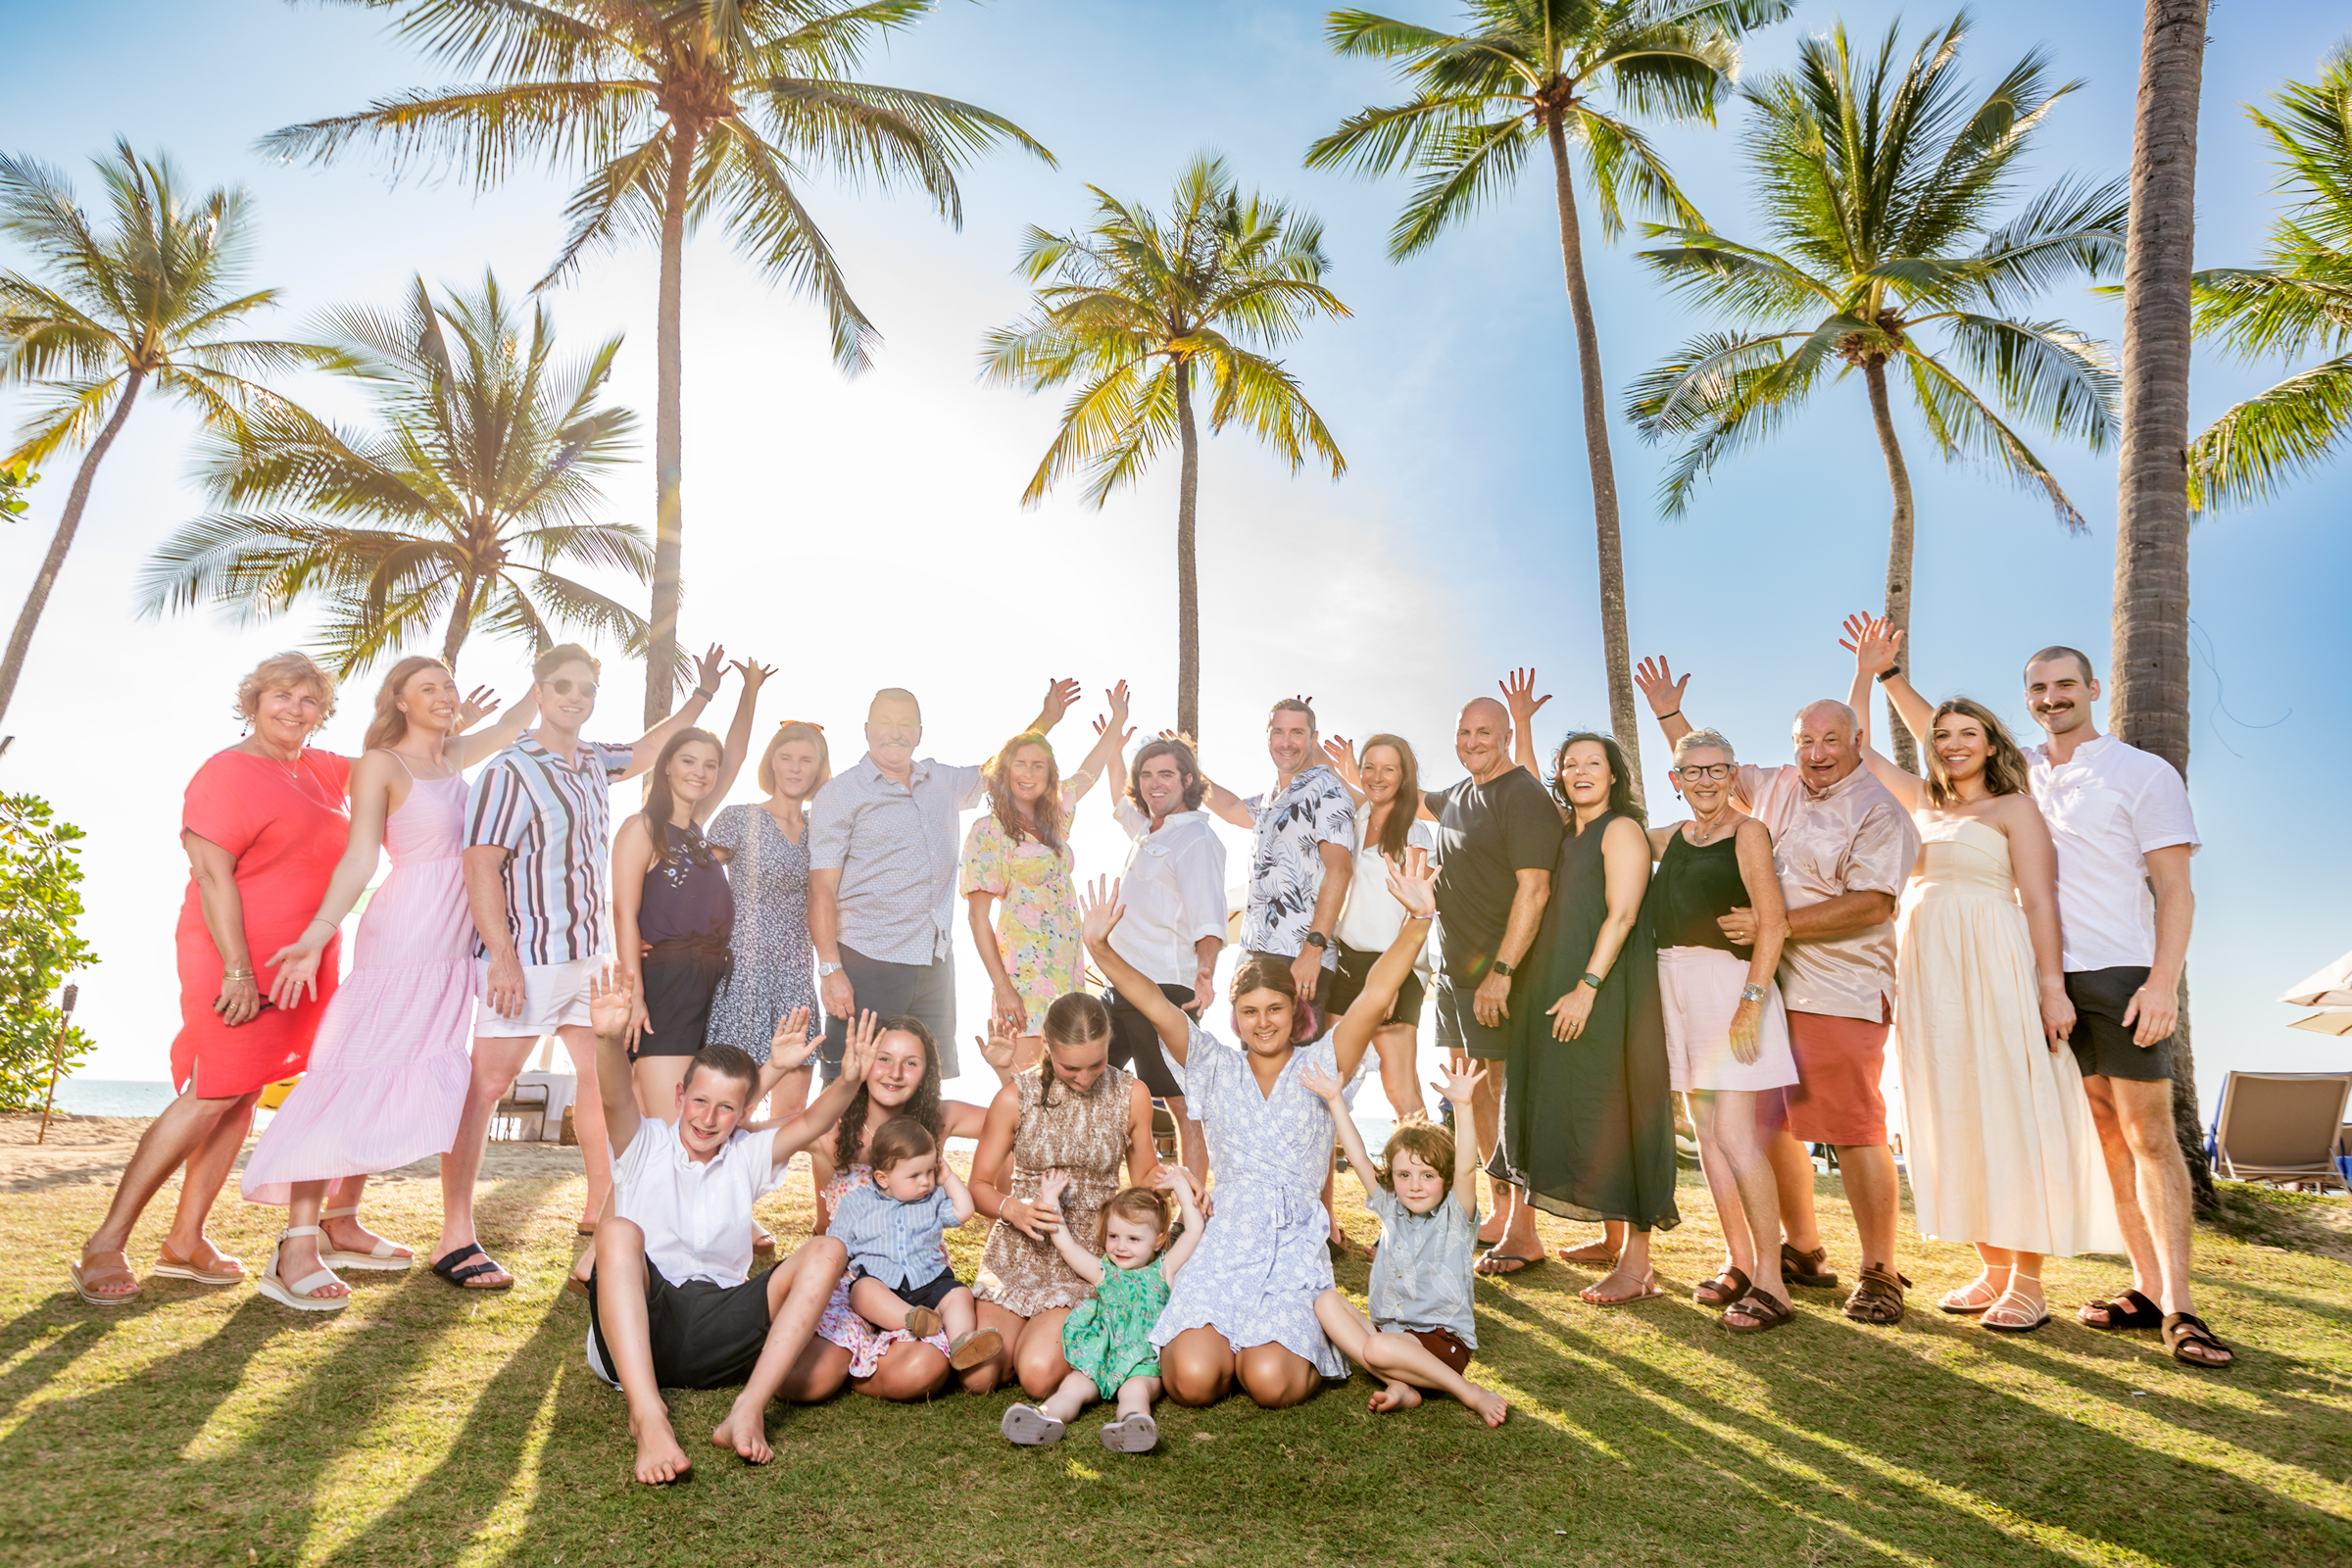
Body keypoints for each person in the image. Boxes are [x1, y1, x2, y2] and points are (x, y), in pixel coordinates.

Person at [1858, 627, 2225, 1366]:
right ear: (2025, 703)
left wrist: (2161, 982)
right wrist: (1887, 674)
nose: (2052, 700)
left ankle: (2182, 1309)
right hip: (2016, 977)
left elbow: (2176, 889)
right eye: (2038, 690)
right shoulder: (2013, 769)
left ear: (2092, 690)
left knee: (2149, 1136)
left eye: (2065, 687)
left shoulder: (2140, 773)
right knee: (2103, 1138)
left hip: (2116, 973)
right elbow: (1942, 734)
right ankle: (2145, 1289)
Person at [1835, 621, 2123, 1332]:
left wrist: (2052, 987)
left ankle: (2028, 1280)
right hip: (1928, 975)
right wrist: (1868, 674)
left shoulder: (2014, 809)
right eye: (1943, 736)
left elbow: (2041, 900)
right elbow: (1856, 751)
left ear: (1992, 744)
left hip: (1994, 967)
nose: (1954, 745)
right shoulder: (1923, 805)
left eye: (1967, 734)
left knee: (2008, 1112)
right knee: (1953, 1113)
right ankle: (1990, 1268)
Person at [1080, 852, 1438, 1411]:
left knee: (1271, 1382)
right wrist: (1101, 948)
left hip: (1294, 1243)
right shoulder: (1212, 1064)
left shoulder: (1323, 1062)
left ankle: (1273, 1346)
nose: (1263, 1021)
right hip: (1227, 1242)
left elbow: (1372, 997)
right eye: (1250, 1011)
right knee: (1192, 1382)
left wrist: (1417, 923)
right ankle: (1227, 1348)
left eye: (1275, 1008)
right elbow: (1153, 1003)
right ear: (1235, 1016)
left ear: (1295, 1008)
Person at [237, 655, 535, 1308]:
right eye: (427, 687)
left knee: (394, 1072)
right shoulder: (382, 763)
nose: (445, 694)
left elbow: (518, 721)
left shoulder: (455, 756)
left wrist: (547, 676)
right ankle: (296, 1243)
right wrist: (319, 932)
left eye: (449, 685)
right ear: (399, 700)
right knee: (354, 1074)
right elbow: (360, 857)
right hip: (403, 938)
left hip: (452, 950)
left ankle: (342, 1222)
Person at [1637, 658, 1923, 1325]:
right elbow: (1711, 774)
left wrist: (1775, 925)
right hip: (1765, 984)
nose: (1817, 753)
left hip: (1839, 987)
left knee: (1852, 1127)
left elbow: (1876, 903)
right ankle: (1801, 1250)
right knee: (1768, 1128)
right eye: (1805, 740)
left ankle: (1879, 1270)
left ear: (1858, 742)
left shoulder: (1880, 811)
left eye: (1830, 740)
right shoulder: (1777, 786)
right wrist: (1667, 713)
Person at [444, 641, 733, 1291]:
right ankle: (456, 1234)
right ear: (540, 692)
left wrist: (704, 695)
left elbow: (651, 749)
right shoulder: (510, 769)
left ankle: (605, 1218)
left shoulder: (591, 763)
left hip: (587, 959)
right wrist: (505, 960)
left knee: (606, 1087)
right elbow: (480, 863)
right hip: (526, 958)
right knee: (484, 1089)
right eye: (563, 686)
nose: (575, 697)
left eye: (586, 689)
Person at [74, 654, 360, 1305]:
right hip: (234, 954)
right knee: (210, 1092)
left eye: (309, 699)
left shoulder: (323, 769)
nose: (295, 708)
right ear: (253, 701)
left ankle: (185, 1240)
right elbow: (211, 877)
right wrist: (237, 969)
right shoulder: (224, 774)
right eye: (281, 695)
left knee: (241, 1094)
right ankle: (106, 1241)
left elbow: (419, 759)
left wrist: (513, 720)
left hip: (304, 959)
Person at [580, 973, 876, 1485]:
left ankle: (748, 1408)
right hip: (644, 1327)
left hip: (724, 1325)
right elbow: (613, 1099)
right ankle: (648, 1418)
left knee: (828, 1249)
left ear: (742, 1114)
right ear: (679, 1096)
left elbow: (808, 1124)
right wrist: (608, 1039)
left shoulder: (746, 1154)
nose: (708, 1118)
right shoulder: (643, 1142)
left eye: (725, 1108)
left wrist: (849, 1080)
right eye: (699, 1102)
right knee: (618, 1232)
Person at [808, 679, 1081, 1081]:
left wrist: (1046, 721)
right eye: (885, 722)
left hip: (934, 963)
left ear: (920, 733)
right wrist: (830, 970)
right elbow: (822, 889)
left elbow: (1001, 767)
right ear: (866, 729)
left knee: (924, 1090)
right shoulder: (840, 794)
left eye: (906, 724)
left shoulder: (942, 781)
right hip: (867, 960)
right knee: (851, 1085)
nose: (896, 732)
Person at [1490, 732, 1681, 1305]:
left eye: (1592, 762)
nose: (1580, 772)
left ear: (1614, 774)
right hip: (1550, 988)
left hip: (1604, 990)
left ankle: (1637, 1266)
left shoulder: (1620, 830)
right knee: (1569, 1106)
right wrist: (1521, 723)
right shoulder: (1561, 833)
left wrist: (1587, 987)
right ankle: (1608, 1239)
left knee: (1617, 1109)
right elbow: (1523, 774)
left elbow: (1621, 916)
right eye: (1570, 764)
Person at [1642, 728, 1799, 1332]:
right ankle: (1738, 1260)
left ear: (1733, 774)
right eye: (1692, 771)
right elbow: (1596, 826)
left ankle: (1773, 1280)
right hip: (1673, 987)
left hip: (1729, 987)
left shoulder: (1748, 831)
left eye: (1717, 770)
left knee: (1735, 1134)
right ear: (1676, 779)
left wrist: (1750, 1004)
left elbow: (1774, 923)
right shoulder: (1672, 837)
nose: (1705, 781)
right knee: (1706, 1133)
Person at [1415, 675, 1565, 1272]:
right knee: (1471, 1095)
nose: (1473, 741)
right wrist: (1354, 770)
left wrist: (1502, 971)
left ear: (1506, 736)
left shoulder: (1521, 794)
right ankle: (1499, 1210)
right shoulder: (1457, 795)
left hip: (1500, 976)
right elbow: (1414, 796)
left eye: (1485, 731)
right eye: (1464, 733)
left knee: (1507, 1097)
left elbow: (1536, 888)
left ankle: (1525, 1231)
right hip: (1452, 974)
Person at [786, 1018, 1015, 1402]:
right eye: (883, 1059)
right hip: (856, 1282)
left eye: (911, 1062)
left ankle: (874, 1366)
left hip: (922, 1282)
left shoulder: (938, 1120)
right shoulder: (829, 1127)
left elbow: (1021, 1119)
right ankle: (849, 1354)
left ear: (927, 1071)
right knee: (805, 1383)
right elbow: (752, 1138)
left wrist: (1003, 1068)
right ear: (863, 1060)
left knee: (933, 1371)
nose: (894, 1073)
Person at [968, 996, 1160, 1402]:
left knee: (1037, 1375)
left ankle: (1055, 1342)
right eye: (1070, 1066)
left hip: (1084, 1257)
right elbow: (980, 1186)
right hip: (1017, 1252)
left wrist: (1174, 1183)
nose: (1085, 1076)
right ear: (1048, 1048)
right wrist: (1013, 1209)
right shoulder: (1014, 1097)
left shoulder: (1132, 1094)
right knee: (979, 1377)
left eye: (1096, 1063)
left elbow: (1145, 1183)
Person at [1300, 1059, 1508, 1425]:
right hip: (1392, 1336)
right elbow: (1360, 1158)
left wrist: (1462, 1105)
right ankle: (1400, 1384)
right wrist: (1335, 1099)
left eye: (1427, 1175)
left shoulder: (1455, 1216)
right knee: (1327, 1301)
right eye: (1404, 1174)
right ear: (1392, 1177)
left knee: (1378, 1347)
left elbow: (1465, 1167)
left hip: (1442, 1342)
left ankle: (1467, 1390)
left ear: (1443, 1179)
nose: (1414, 1185)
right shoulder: (1390, 1207)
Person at [612, 660, 768, 1112]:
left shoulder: (697, 826)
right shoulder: (642, 828)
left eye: (708, 765)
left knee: (672, 1133)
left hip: (711, 983)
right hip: (665, 984)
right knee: (665, 1129)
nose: (699, 772)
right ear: (665, 767)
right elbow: (624, 912)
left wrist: (750, 690)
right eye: (687, 761)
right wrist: (635, 996)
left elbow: (736, 756)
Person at [961, 682, 1134, 1068]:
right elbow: (977, 919)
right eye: (1019, 765)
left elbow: (1089, 773)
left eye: (1038, 766)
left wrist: (1117, 719)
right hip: (1022, 979)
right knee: (1025, 1093)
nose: (1028, 773)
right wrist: (1003, 988)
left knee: (1068, 1083)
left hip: (1067, 973)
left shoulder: (1056, 817)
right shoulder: (989, 832)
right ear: (1004, 773)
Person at [1000, 1166, 1205, 1452]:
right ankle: (1043, 1417)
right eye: (1114, 1236)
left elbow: (1195, 1229)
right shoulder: (1103, 1271)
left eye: (1134, 1239)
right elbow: (1067, 1247)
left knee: (1134, 1392)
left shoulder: (1165, 1270)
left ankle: (1134, 1425)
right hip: (1101, 1353)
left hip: (1142, 1359)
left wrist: (1180, 1185)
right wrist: (1050, 1198)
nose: (1121, 1247)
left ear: (1158, 1240)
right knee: (1073, 1386)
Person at [1103, 735, 1227, 1185]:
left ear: (1188, 780)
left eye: (1166, 774)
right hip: (1118, 985)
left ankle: (1189, 1213)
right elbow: (1119, 800)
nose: (1154, 783)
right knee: (1085, 1076)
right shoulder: (1148, 830)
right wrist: (1115, 742)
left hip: (1164, 989)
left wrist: (1206, 972)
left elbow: (1209, 917)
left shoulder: (1196, 837)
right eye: (1146, 775)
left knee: (1181, 1102)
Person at [1201, 698, 1355, 1036]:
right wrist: (1188, 771)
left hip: (1299, 960)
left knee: (1294, 1081)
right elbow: (1228, 806)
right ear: (1268, 737)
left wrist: (1313, 951)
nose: (1286, 742)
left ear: (1313, 739)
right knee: (1255, 1076)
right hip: (1254, 956)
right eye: (1278, 732)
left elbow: (1340, 870)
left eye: (1297, 732)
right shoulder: (1271, 799)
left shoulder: (1328, 792)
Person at [708, 719, 832, 1120]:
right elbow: (696, 887)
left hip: (796, 975)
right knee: (733, 1102)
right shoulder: (738, 817)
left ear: (818, 768)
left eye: (806, 760)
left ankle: (762, 1183)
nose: (795, 768)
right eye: (786, 758)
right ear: (772, 764)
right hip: (743, 974)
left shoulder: (824, 830)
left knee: (791, 1110)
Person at [1317, 733, 1440, 1120]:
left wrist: (1389, 981)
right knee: (1330, 1077)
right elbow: (1347, 783)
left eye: (1389, 769)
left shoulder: (1414, 832)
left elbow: (1416, 908)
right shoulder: (1356, 818)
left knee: (1399, 1086)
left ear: (1405, 777)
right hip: (1347, 963)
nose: (1377, 776)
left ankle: (1431, 1177)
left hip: (1396, 966)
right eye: (1370, 767)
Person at [829, 1115, 1003, 1370]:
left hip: (931, 1281)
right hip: (883, 1285)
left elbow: (964, 1211)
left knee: (960, 1295)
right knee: (862, 1292)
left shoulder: (932, 1198)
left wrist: (948, 1178)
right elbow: (836, 1248)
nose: (926, 1181)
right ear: (883, 1178)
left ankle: (961, 1342)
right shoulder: (856, 1204)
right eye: (914, 1175)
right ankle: (911, 1318)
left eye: (930, 1171)